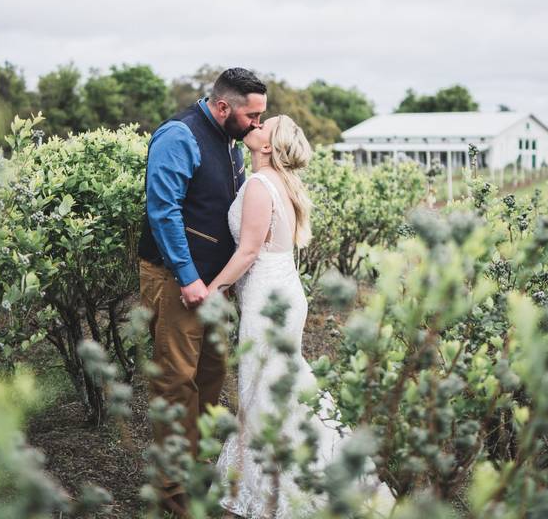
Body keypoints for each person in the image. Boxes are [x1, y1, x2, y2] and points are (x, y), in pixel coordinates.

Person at [209, 115, 393, 518]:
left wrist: (213, 288)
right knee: (277, 384)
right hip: (282, 288)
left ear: (267, 146)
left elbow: (248, 252)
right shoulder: (277, 182)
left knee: (265, 388)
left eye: (262, 126)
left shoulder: (260, 184)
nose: (253, 126)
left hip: (267, 295)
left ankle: (276, 490)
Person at [138, 67, 267, 515]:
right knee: (175, 380)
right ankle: (169, 487)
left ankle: (191, 468)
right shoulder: (180, 135)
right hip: (177, 279)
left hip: (213, 286)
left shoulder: (231, 143)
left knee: (210, 375)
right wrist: (189, 277)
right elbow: (164, 209)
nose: (258, 124)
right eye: (252, 115)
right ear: (223, 106)